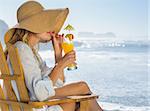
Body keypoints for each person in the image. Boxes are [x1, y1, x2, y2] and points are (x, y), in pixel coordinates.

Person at [4, 1, 103, 111]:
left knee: (83, 94)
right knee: (82, 88)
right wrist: (60, 65)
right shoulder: (22, 49)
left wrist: (58, 53)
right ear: (32, 26)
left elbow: (57, 82)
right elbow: (40, 93)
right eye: (45, 23)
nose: (50, 27)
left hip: (34, 104)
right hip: (32, 106)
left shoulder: (30, 51)